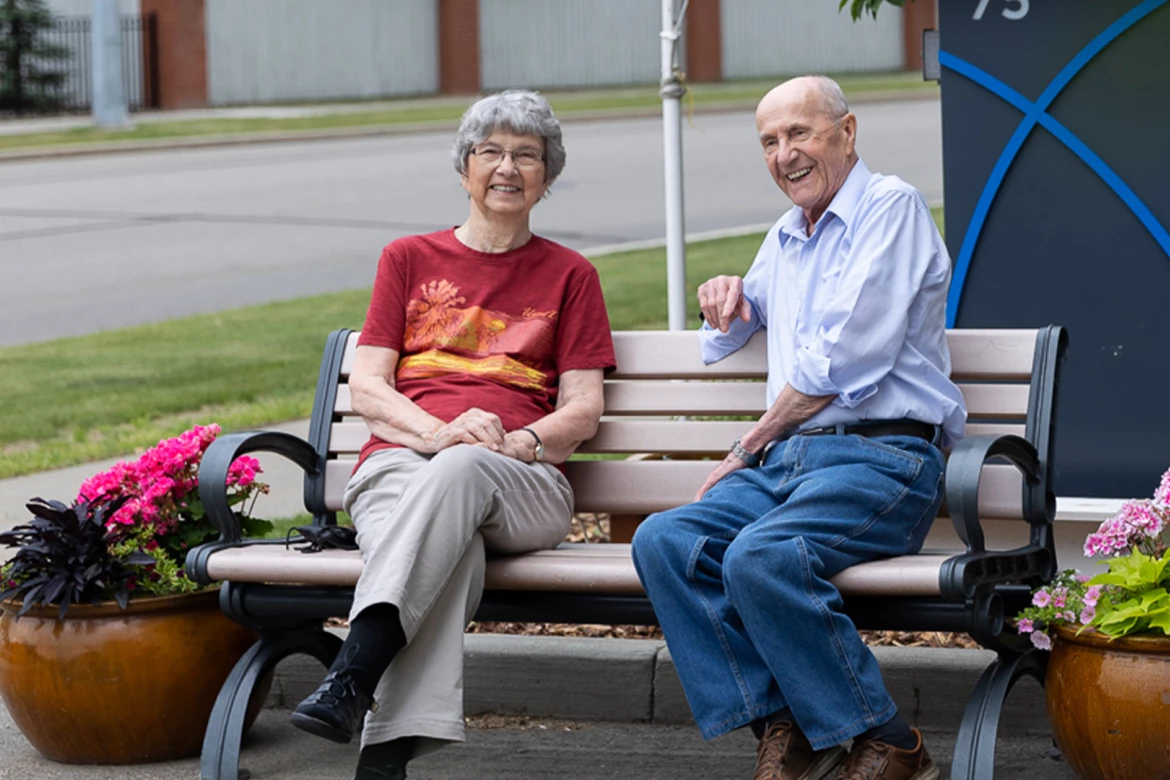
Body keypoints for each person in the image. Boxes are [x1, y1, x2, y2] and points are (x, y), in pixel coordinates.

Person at [631, 75, 966, 780]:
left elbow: (843, 361)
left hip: (885, 461)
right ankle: (788, 719)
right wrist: (728, 297)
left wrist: (747, 444)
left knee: (760, 556)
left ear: (846, 133)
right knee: (666, 540)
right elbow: (727, 333)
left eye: (800, 134)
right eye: (770, 141)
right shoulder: (787, 235)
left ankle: (890, 739)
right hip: (792, 466)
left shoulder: (890, 208)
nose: (785, 154)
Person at [289, 90, 616, 780]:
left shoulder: (572, 275)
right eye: (490, 152)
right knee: (452, 541)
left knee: (464, 473)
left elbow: (583, 410)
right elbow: (370, 387)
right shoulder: (407, 258)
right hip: (402, 466)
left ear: (547, 177)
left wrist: (518, 444)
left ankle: (355, 669)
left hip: (519, 479)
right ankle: (383, 760)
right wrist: (440, 434)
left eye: (526, 155)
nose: (507, 167)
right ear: (464, 168)